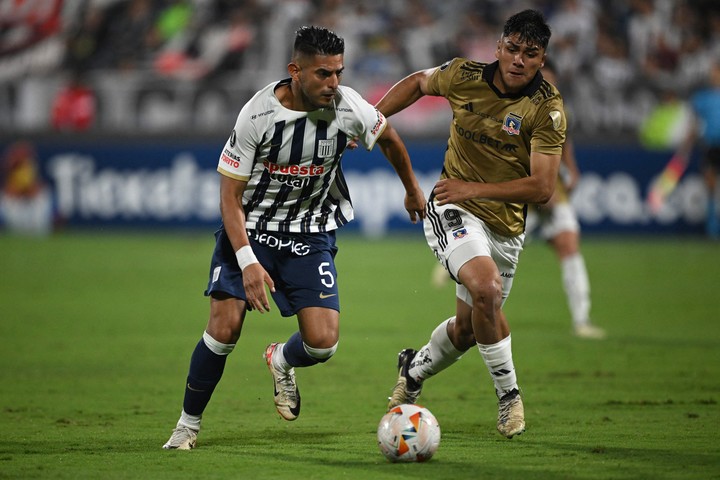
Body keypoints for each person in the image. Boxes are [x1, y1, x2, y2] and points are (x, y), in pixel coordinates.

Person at [162, 25, 426, 450]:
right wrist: (248, 261)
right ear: (295, 71)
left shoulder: (347, 106)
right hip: (252, 231)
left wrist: (412, 189)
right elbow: (229, 198)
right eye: (323, 74)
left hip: (310, 233)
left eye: (338, 72)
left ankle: (281, 359)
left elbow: (391, 138)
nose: (333, 83)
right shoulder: (257, 114)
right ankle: (187, 426)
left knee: (323, 344)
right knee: (223, 329)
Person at [376, 9, 565, 439]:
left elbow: (542, 188)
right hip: (452, 207)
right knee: (486, 289)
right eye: (512, 49)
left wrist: (474, 190)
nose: (518, 60)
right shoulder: (464, 75)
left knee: (469, 328)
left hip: (503, 226)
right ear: (498, 47)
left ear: (542, 59)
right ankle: (509, 396)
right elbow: (418, 83)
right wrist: (371, 118)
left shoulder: (547, 110)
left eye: (530, 54)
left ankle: (414, 368)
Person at [525, 61, 606, 339]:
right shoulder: (517, 109)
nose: (548, 86)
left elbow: (564, 142)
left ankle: (582, 320)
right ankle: (458, 269)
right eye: (542, 80)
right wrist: (537, 188)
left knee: (570, 247)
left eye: (551, 80)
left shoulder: (560, 110)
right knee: (496, 257)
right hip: (521, 197)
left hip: (553, 193)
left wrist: (572, 169)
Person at [683, 59, 720, 238]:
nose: (713, 75)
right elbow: (695, 125)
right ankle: (713, 228)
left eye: (716, 72)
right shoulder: (702, 97)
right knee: (711, 186)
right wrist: (686, 145)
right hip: (712, 145)